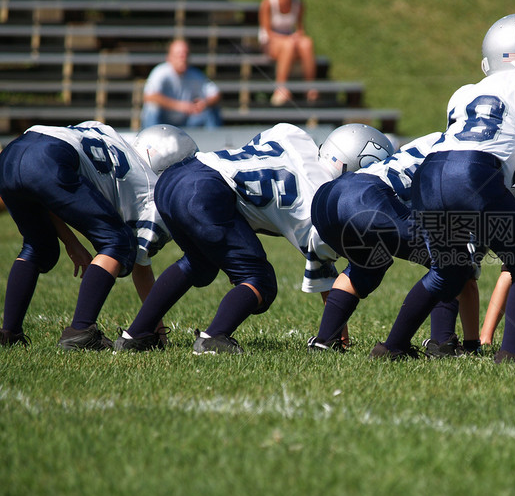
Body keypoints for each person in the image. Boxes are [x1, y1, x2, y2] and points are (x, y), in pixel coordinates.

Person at [371, 12, 515, 363]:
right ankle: (511, 353)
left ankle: (391, 347)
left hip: (429, 175)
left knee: (447, 270)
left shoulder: (467, 91)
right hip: (475, 174)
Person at [114, 123, 393, 355]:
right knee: (259, 279)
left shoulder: (294, 136)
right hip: (205, 192)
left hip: (178, 177)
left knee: (199, 263)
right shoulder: (317, 203)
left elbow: (268, 142)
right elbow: (322, 269)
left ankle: (136, 335)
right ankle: (214, 337)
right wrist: (333, 336)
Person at [0, 121, 197, 350]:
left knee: (39, 247)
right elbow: (140, 265)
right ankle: (81, 330)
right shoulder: (152, 190)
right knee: (118, 241)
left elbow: (42, 186)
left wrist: (71, 243)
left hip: (13, 155)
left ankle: (9, 333)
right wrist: (156, 327)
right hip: (49, 160)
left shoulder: (111, 136)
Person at [308, 130, 481, 357]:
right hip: (366, 196)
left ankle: (325, 340)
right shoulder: (470, 155)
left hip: (326, 200)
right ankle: (435, 343)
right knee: (450, 263)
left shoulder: (435, 139)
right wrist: (472, 344)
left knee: (367, 265)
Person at [259, 0, 319, 107]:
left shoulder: (298, 3)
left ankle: (310, 87)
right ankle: (280, 87)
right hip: (271, 41)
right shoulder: (268, 3)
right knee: (289, 45)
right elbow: (267, 31)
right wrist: (288, 38)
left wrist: (297, 35)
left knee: (307, 43)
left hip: (289, 39)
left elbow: (300, 28)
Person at [140, 39, 222, 130]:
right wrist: (180, 106)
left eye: (185, 54)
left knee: (210, 111)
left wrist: (204, 103)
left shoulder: (195, 75)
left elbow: (215, 94)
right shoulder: (160, 72)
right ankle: (151, 141)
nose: (183, 57)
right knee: (152, 108)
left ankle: (212, 141)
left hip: (186, 122)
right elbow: (149, 96)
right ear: (169, 57)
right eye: (179, 54)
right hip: (163, 123)